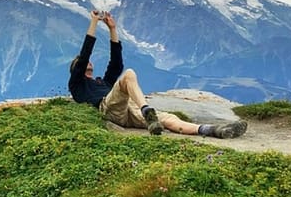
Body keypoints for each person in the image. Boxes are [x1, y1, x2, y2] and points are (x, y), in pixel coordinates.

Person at [68, 9, 247, 138]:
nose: (88, 63)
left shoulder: (102, 82)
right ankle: (147, 110)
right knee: (129, 74)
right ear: (77, 69)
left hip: (127, 110)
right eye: (82, 64)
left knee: (168, 119)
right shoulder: (77, 85)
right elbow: (85, 54)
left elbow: (116, 64)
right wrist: (93, 23)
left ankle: (212, 130)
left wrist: (112, 30)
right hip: (107, 108)